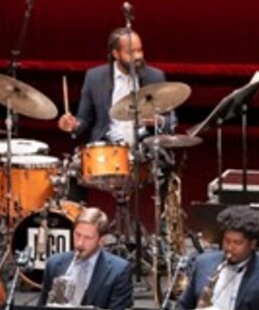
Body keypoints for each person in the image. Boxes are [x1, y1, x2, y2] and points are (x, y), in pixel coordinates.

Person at [57, 28, 176, 201]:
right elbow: (84, 119)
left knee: (167, 166)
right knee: (74, 170)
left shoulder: (154, 76)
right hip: (108, 146)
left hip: (144, 147)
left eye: (140, 50)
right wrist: (73, 124)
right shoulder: (95, 77)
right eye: (131, 52)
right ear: (115, 54)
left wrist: (158, 121)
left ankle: (165, 218)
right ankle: (79, 216)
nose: (138, 56)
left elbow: (171, 118)